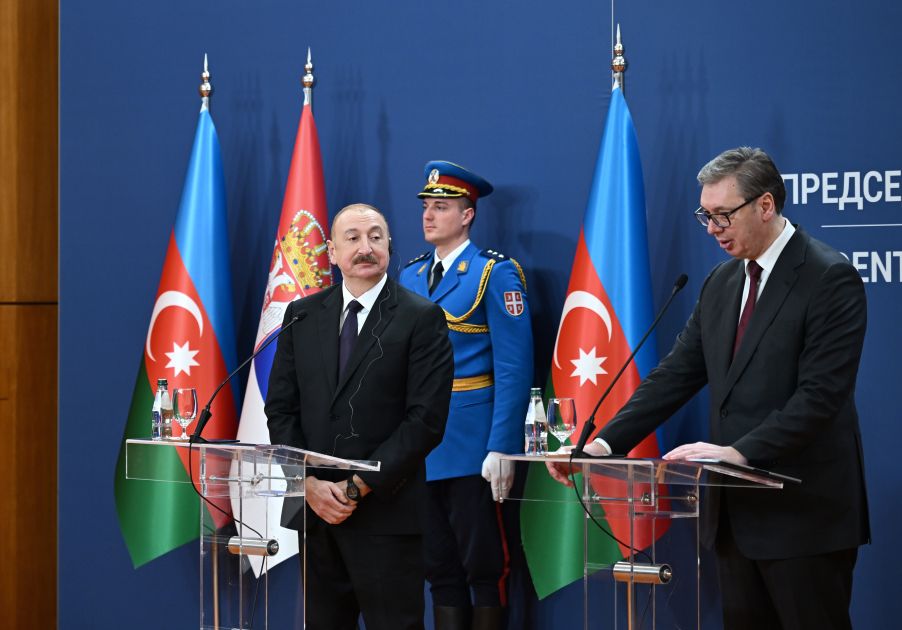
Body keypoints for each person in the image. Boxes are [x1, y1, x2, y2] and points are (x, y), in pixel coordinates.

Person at [547, 147, 869, 630]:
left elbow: (821, 397)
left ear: (765, 205)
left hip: (804, 517)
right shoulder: (721, 281)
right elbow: (676, 375)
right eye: (705, 216)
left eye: (723, 215)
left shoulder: (827, 276)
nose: (713, 228)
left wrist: (738, 453)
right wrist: (601, 445)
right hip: (734, 519)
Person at [266, 203, 454, 630]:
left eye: (375, 237)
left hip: (386, 514)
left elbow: (425, 421)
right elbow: (280, 408)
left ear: (389, 245)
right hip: (314, 512)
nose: (365, 247)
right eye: (352, 238)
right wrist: (306, 483)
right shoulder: (301, 314)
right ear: (332, 252)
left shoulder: (421, 318)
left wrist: (355, 488)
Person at [399, 161, 533, 629]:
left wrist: (502, 446)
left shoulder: (492, 273)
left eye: (441, 207)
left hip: (474, 443)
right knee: (438, 567)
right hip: (422, 446)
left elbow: (514, 368)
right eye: (426, 206)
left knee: (485, 567)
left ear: (467, 215)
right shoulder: (410, 276)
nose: (428, 215)